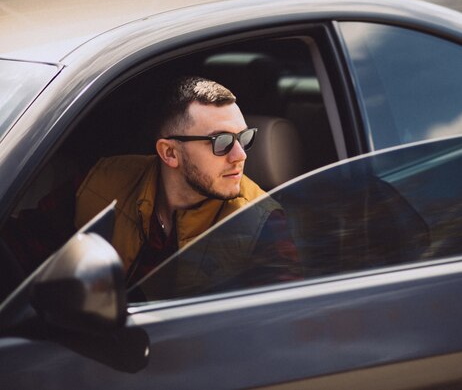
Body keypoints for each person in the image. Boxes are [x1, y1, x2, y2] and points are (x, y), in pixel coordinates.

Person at [74, 76, 300, 290]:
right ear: (170, 153)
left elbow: (282, 317)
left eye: (244, 137)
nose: (240, 155)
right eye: (221, 142)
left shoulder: (260, 220)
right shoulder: (101, 181)